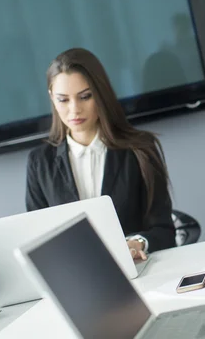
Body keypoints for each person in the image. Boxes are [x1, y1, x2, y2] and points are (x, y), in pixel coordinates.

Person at [26, 48, 176, 260]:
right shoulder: (39, 163)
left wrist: (137, 243)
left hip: (138, 273)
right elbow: (37, 242)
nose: (75, 109)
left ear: (101, 94)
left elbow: (164, 232)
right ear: (52, 97)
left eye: (85, 96)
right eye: (63, 99)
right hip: (74, 280)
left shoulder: (141, 149)